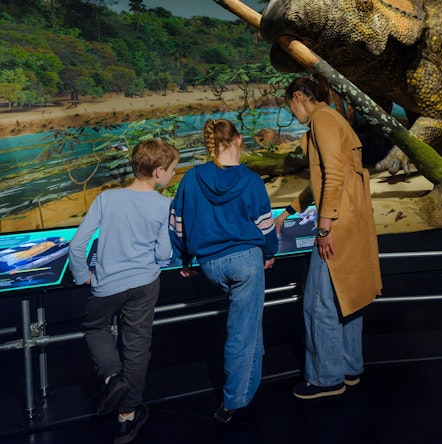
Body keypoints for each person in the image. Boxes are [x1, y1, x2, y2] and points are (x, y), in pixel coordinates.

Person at [275, 76, 382, 400]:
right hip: (352, 220)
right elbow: (324, 179)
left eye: (290, 106)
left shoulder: (321, 119)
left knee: (319, 303)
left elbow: (333, 174)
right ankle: (349, 369)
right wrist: (288, 211)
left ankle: (325, 378)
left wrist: (323, 228)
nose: (292, 113)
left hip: (337, 224)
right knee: (347, 297)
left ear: (298, 97)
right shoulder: (334, 117)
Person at [69, 138, 180, 444]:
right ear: (158, 172)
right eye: (172, 169)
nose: (174, 173)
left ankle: (110, 376)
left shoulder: (107, 199)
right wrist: (158, 259)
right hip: (145, 284)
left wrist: (83, 275)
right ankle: (126, 417)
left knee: (96, 328)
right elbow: (163, 253)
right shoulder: (164, 205)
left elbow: (78, 245)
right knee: (137, 345)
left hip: (107, 285)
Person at [169, 119, 277, 423]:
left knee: (249, 323)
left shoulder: (191, 178)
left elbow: (177, 224)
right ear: (239, 140)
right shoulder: (252, 180)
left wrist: (185, 258)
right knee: (242, 332)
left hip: (211, 264)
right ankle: (233, 402)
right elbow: (266, 227)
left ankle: (248, 385)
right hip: (247, 262)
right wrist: (269, 253)